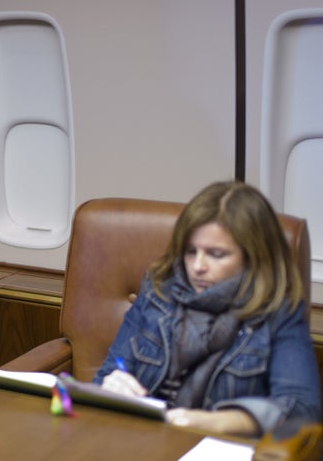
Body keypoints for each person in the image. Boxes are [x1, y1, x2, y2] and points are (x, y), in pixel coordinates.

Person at [94, 181, 321, 437]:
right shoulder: (159, 287)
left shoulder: (278, 310)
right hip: (146, 439)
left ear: (253, 257)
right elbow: (107, 372)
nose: (197, 266)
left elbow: (303, 410)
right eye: (191, 251)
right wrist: (110, 386)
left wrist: (220, 422)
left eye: (216, 254)